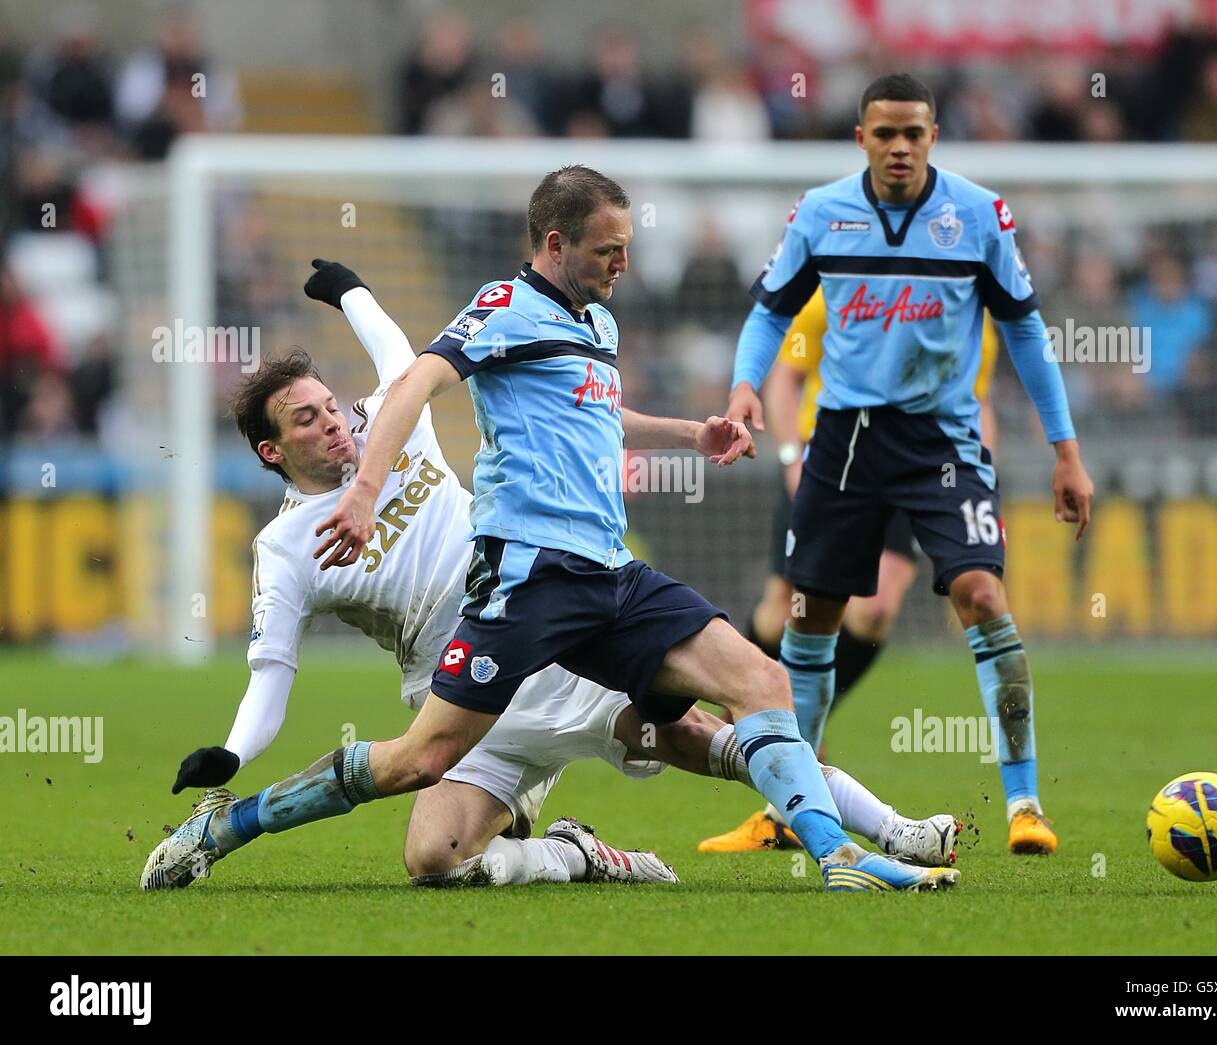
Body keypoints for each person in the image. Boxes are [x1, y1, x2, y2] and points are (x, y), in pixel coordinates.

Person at [143, 165, 961, 895]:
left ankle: (856, 850)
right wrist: (361, 493)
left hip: (605, 576)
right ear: (558, 242)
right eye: (609, 248)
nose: (624, 264)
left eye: (627, 247)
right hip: (518, 598)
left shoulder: (594, 323)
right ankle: (247, 825)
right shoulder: (502, 310)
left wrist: (690, 434)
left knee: (752, 691)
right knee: (427, 820)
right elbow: (417, 377)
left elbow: (589, 412)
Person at [726, 74, 1094, 856]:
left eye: (914, 134)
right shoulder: (822, 213)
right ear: (861, 137)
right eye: (885, 134)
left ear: (934, 136)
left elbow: (1026, 333)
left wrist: (1066, 450)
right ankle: (791, 806)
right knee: (810, 616)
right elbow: (770, 311)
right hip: (845, 442)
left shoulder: (978, 216)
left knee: (983, 591)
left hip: (943, 440)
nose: (900, 148)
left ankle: (1025, 803)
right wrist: (743, 388)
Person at [701, 290, 1000, 852]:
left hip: (919, 465)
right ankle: (772, 725)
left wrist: (979, 474)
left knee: (877, 609)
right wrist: (792, 456)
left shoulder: (961, 307)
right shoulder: (838, 290)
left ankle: (788, 739)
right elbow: (787, 374)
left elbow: (979, 400)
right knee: (780, 610)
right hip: (829, 463)